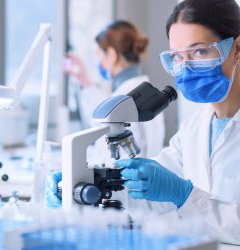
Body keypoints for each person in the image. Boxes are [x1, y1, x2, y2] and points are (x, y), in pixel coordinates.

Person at [47, 0, 240, 249]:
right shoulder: (196, 126)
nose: (186, 67)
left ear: (237, 49)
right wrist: (89, 184)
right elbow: (152, 197)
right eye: (177, 56)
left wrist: (184, 195)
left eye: (199, 51)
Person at [65, 20, 165, 159]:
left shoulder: (128, 96)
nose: (98, 62)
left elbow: (105, 150)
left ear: (111, 55)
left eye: (99, 55)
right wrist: (84, 79)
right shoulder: (141, 90)